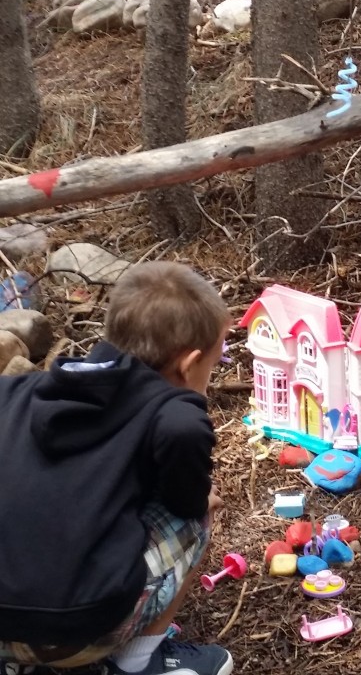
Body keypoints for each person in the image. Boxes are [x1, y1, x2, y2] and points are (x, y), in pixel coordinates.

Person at [0, 261, 233, 675]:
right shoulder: (173, 411)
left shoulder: (16, 392)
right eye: (213, 364)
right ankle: (136, 662)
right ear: (189, 363)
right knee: (200, 509)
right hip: (80, 627)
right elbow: (183, 495)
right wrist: (195, 497)